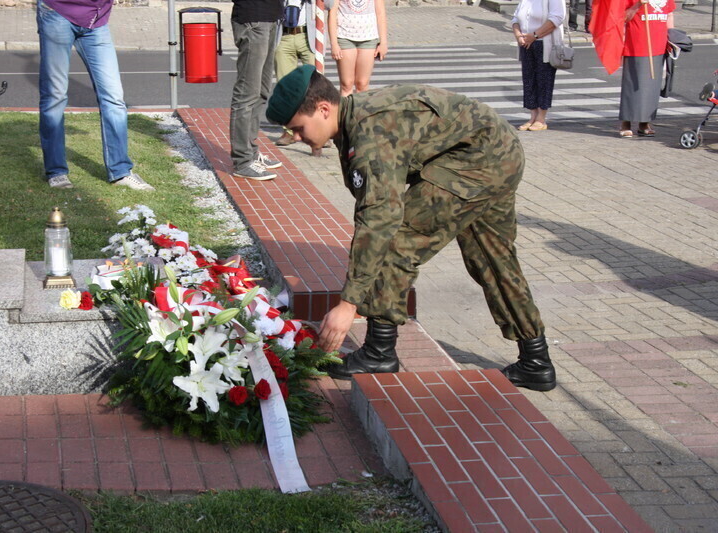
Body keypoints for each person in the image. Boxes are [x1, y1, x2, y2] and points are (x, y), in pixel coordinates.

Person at [265, 65, 557, 392]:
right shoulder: (354, 122)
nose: (299, 139)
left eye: (299, 129)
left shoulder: (371, 132)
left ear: (323, 109)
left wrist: (348, 305)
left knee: (395, 243)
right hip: (496, 152)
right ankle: (536, 361)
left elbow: (380, 220)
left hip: (476, 160)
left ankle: (379, 352)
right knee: (492, 258)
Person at [36, 0, 153, 191]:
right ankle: (56, 172)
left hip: (96, 19)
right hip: (58, 11)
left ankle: (120, 171)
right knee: (54, 96)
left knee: (113, 97)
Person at [229, 0, 283, 181]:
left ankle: (251, 153)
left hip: (271, 17)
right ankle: (242, 161)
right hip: (252, 19)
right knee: (247, 93)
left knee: (261, 91)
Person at [274, 0, 334, 154]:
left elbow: (329, 4)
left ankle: (320, 132)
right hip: (284, 36)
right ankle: (290, 131)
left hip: (308, 36)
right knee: (286, 88)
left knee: (316, 87)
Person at [618, 0, 676, 138]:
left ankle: (644, 122)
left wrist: (672, 37)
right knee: (633, 86)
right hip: (637, 45)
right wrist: (638, 4)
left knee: (652, 86)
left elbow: (669, 14)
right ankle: (626, 122)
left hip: (659, 44)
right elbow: (624, 17)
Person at [511, 0, 566, 131]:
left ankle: (541, 118)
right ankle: (533, 116)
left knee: (544, 80)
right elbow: (515, 18)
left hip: (544, 43)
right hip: (526, 42)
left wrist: (535, 35)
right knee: (529, 80)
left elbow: (557, 18)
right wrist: (518, 35)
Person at [328, 0, 388, 97]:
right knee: (346, 84)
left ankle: (360, 111)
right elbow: (332, 13)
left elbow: (380, 12)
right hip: (345, 37)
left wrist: (383, 42)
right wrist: (334, 44)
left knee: (362, 83)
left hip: (369, 38)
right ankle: (346, 111)